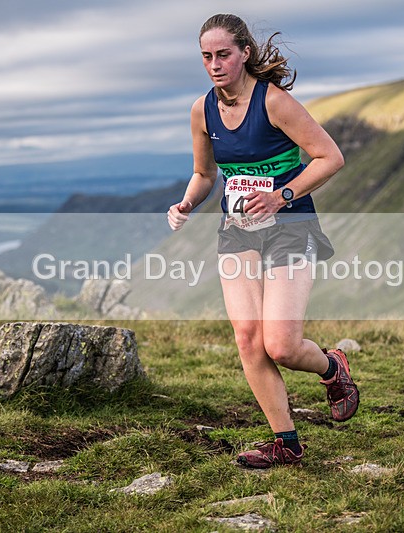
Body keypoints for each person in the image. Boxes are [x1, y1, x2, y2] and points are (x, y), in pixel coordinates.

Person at [168, 14, 359, 468]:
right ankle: (286, 444)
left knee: (282, 345)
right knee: (248, 338)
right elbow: (204, 173)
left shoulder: (274, 102)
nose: (214, 64)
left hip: (291, 227)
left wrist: (281, 195)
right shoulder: (203, 110)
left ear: (245, 53)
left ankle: (333, 369)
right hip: (237, 233)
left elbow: (330, 157)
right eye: (206, 57)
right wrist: (187, 203)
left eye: (224, 55)